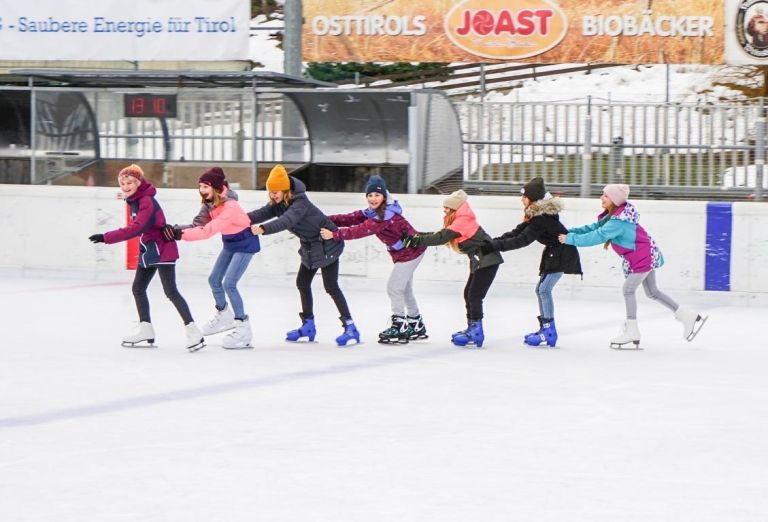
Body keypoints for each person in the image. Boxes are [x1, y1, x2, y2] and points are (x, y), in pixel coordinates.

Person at [559, 184, 707, 349]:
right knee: (653, 292)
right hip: (646, 254)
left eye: (605, 196)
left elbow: (598, 236)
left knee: (628, 289)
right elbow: (593, 228)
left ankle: (632, 330)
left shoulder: (619, 222)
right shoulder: (614, 217)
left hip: (643, 257)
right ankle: (687, 316)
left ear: (614, 200)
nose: (601, 198)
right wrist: (568, 232)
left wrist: (570, 239)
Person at [88, 164, 204, 351]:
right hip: (149, 249)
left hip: (162, 249)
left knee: (170, 291)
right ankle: (146, 329)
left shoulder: (146, 201)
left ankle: (193, 331)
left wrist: (106, 237)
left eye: (130, 182)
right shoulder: (135, 200)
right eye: (123, 183)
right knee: (138, 289)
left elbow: (137, 228)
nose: (126, 186)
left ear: (139, 182)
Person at [248, 164, 360, 347]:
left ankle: (350, 327)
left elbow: (286, 221)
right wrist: (238, 220)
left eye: (277, 191)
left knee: (331, 286)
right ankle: (308, 325)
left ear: (286, 190)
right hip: (310, 246)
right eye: (271, 191)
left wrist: (263, 229)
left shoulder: (300, 203)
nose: (273, 194)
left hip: (327, 243)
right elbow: (260, 214)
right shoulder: (278, 204)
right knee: (302, 282)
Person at [320, 175, 428, 344]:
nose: (373, 198)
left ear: (384, 196)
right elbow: (352, 218)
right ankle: (416, 323)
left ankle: (400, 325)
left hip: (411, 252)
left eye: (377, 195)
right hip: (406, 253)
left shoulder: (385, 216)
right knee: (404, 289)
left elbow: (359, 230)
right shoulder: (373, 212)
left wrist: (334, 235)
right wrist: (326, 219)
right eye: (370, 195)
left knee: (394, 288)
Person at [164, 167, 260, 350]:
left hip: (246, 244)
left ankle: (243, 328)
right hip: (231, 243)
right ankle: (224, 314)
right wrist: (175, 229)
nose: (202, 190)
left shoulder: (230, 206)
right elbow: (197, 225)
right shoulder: (209, 204)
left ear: (216, 188)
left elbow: (207, 231)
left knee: (229, 284)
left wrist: (179, 235)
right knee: (214, 280)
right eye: (200, 186)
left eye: (205, 187)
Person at [480, 177, 582, 348]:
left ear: (532, 198)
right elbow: (517, 232)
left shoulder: (541, 217)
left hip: (562, 253)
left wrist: (493, 247)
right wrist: (492, 243)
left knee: (544, 290)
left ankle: (549, 331)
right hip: (554, 253)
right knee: (541, 290)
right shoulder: (536, 214)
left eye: (524, 197)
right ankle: (546, 329)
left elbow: (522, 240)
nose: (522, 200)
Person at [402, 189, 503, 348]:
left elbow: (441, 238)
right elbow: (440, 234)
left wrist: (416, 241)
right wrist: (417, 236)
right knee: (469, 293)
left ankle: (476, 331)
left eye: (447, 208)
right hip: (480, 260)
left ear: (455, 208)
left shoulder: (463, 221)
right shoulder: (459, 219)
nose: (444, 210)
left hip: (488, 260)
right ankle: (472, 327)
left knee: (474, 295)